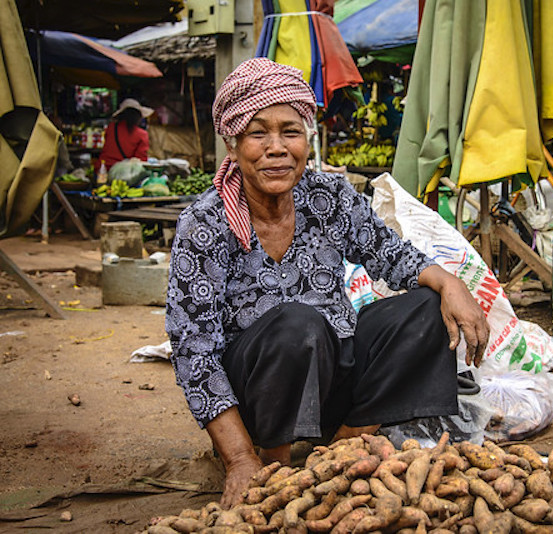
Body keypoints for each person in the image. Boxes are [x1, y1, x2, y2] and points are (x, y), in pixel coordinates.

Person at [165, 58, 489, 509]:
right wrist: (238, 458)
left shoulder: (328, 195)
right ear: (233, 143)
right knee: (298, 326)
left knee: (424, 309)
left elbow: (387, 253)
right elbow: (193, 349)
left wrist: (451, 284)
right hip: (259, 395)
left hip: (336, 378)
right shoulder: (203, 222)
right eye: (258, 133)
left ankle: (345, 443)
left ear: (307, 139)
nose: (277, 148)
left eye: (290, 132)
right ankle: (269, 461)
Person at [96, 98, 152, 173]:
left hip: (102, 169)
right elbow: (140, 160)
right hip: (122, 173)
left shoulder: (111, 128)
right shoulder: (142, 134)